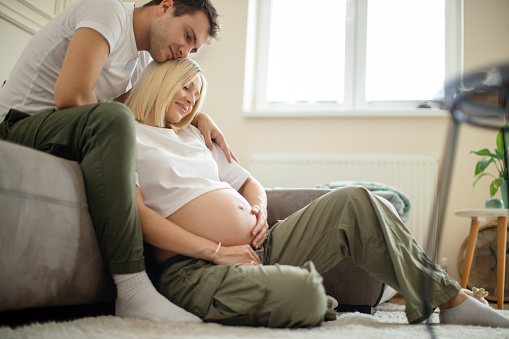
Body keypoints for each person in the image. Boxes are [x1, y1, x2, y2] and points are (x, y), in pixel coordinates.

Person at [128, 57, 509, 328]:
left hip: (260, 246)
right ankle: (303, 295)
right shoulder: (126, 134)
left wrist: (258, 210)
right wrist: (216, 251)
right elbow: (140, 217)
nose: (192, 99)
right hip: (195, 269)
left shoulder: (196, 134)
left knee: (356, 200)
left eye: (197, 93)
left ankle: (451, 298)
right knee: (307, 297)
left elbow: (248, 182)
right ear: (158, 82)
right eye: (185, 86)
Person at [0, 0, 232, 323]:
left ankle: (174, 280)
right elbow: (70, 95)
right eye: (188, 35)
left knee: (135, 142)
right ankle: (133, 287)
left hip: (65, 132)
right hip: (16, 125)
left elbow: (148, 107)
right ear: (166, 6)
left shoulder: (141, 62)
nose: (184, 52)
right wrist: (118, 119)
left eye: (194, 51)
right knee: (117, 121)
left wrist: (198, 118)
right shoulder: (110, 12)